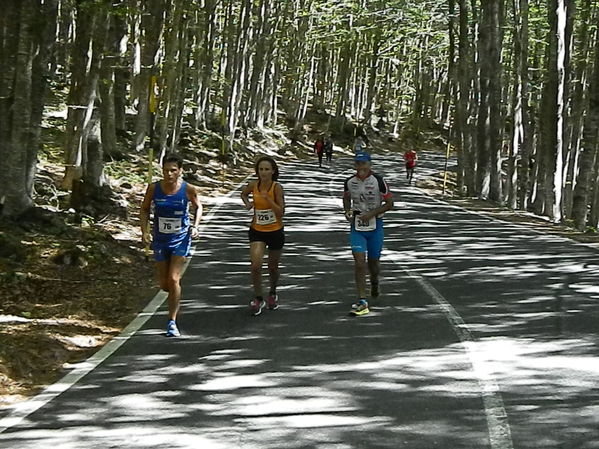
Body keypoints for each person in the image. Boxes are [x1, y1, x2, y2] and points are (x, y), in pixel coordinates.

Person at [141, 153, 203, 337]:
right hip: (160, 239)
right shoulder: (153, 188)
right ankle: (175, 295)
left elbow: (198, 206)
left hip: (181, 239)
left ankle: (172, 322)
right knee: (165, 284)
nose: (169, 174)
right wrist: (144, 231)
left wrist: (195, 226)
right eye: (166, 170)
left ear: (180, 171)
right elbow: (144, 209)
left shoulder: (188, 189)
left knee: (174, 279)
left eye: (173, 171)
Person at [343, 151, 393, 316]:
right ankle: (362, 300)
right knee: (359, 262)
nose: (360, 167)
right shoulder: (350, 182)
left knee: (373, 263)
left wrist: (373, 213)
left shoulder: (379, 181)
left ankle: (374, 281)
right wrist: (347, 211)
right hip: (357, 227)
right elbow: (346, 197)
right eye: (357, 164)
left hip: (375, 225)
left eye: (363, 163)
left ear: (369, 164)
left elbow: (390, 203)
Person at [240, 156, 286, 316]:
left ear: (273, 171)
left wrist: (268, 199)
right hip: (257, 230)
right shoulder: (254, 185)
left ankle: (272, 292)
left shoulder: (276, 188)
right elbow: (243, 194)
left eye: (267, 169)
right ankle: (258, 298)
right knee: (255, 266)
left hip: (275, 231)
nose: (264, 172)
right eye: (261, 169)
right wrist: (247, 204)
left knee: (272, 268)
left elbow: (281, 212)